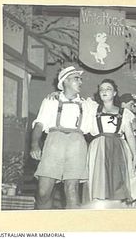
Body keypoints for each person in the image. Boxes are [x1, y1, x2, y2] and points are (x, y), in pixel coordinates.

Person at [30, 66, 91, 209]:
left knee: (72, 190)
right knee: (43, 192)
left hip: (77, 144)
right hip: (54, 143)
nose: (81, 82)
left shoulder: (87, 104)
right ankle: (44, 224)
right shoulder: (51, 100)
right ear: (65, 81)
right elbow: (39, 124)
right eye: (77, 78)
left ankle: (71, 228)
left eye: (80, 79)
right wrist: (34, 145)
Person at [83, 79, 136, 209]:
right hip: (99, 149)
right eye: (102, 89)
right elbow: (75, 101)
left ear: (115, 93)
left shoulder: (124, 113)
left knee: (118, 184)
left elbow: (130, 136)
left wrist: (135, 158)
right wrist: (57, 95)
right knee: (99, 183)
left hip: (118, 149)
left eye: (108, 89)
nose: (104, 91)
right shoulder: (92, 109)